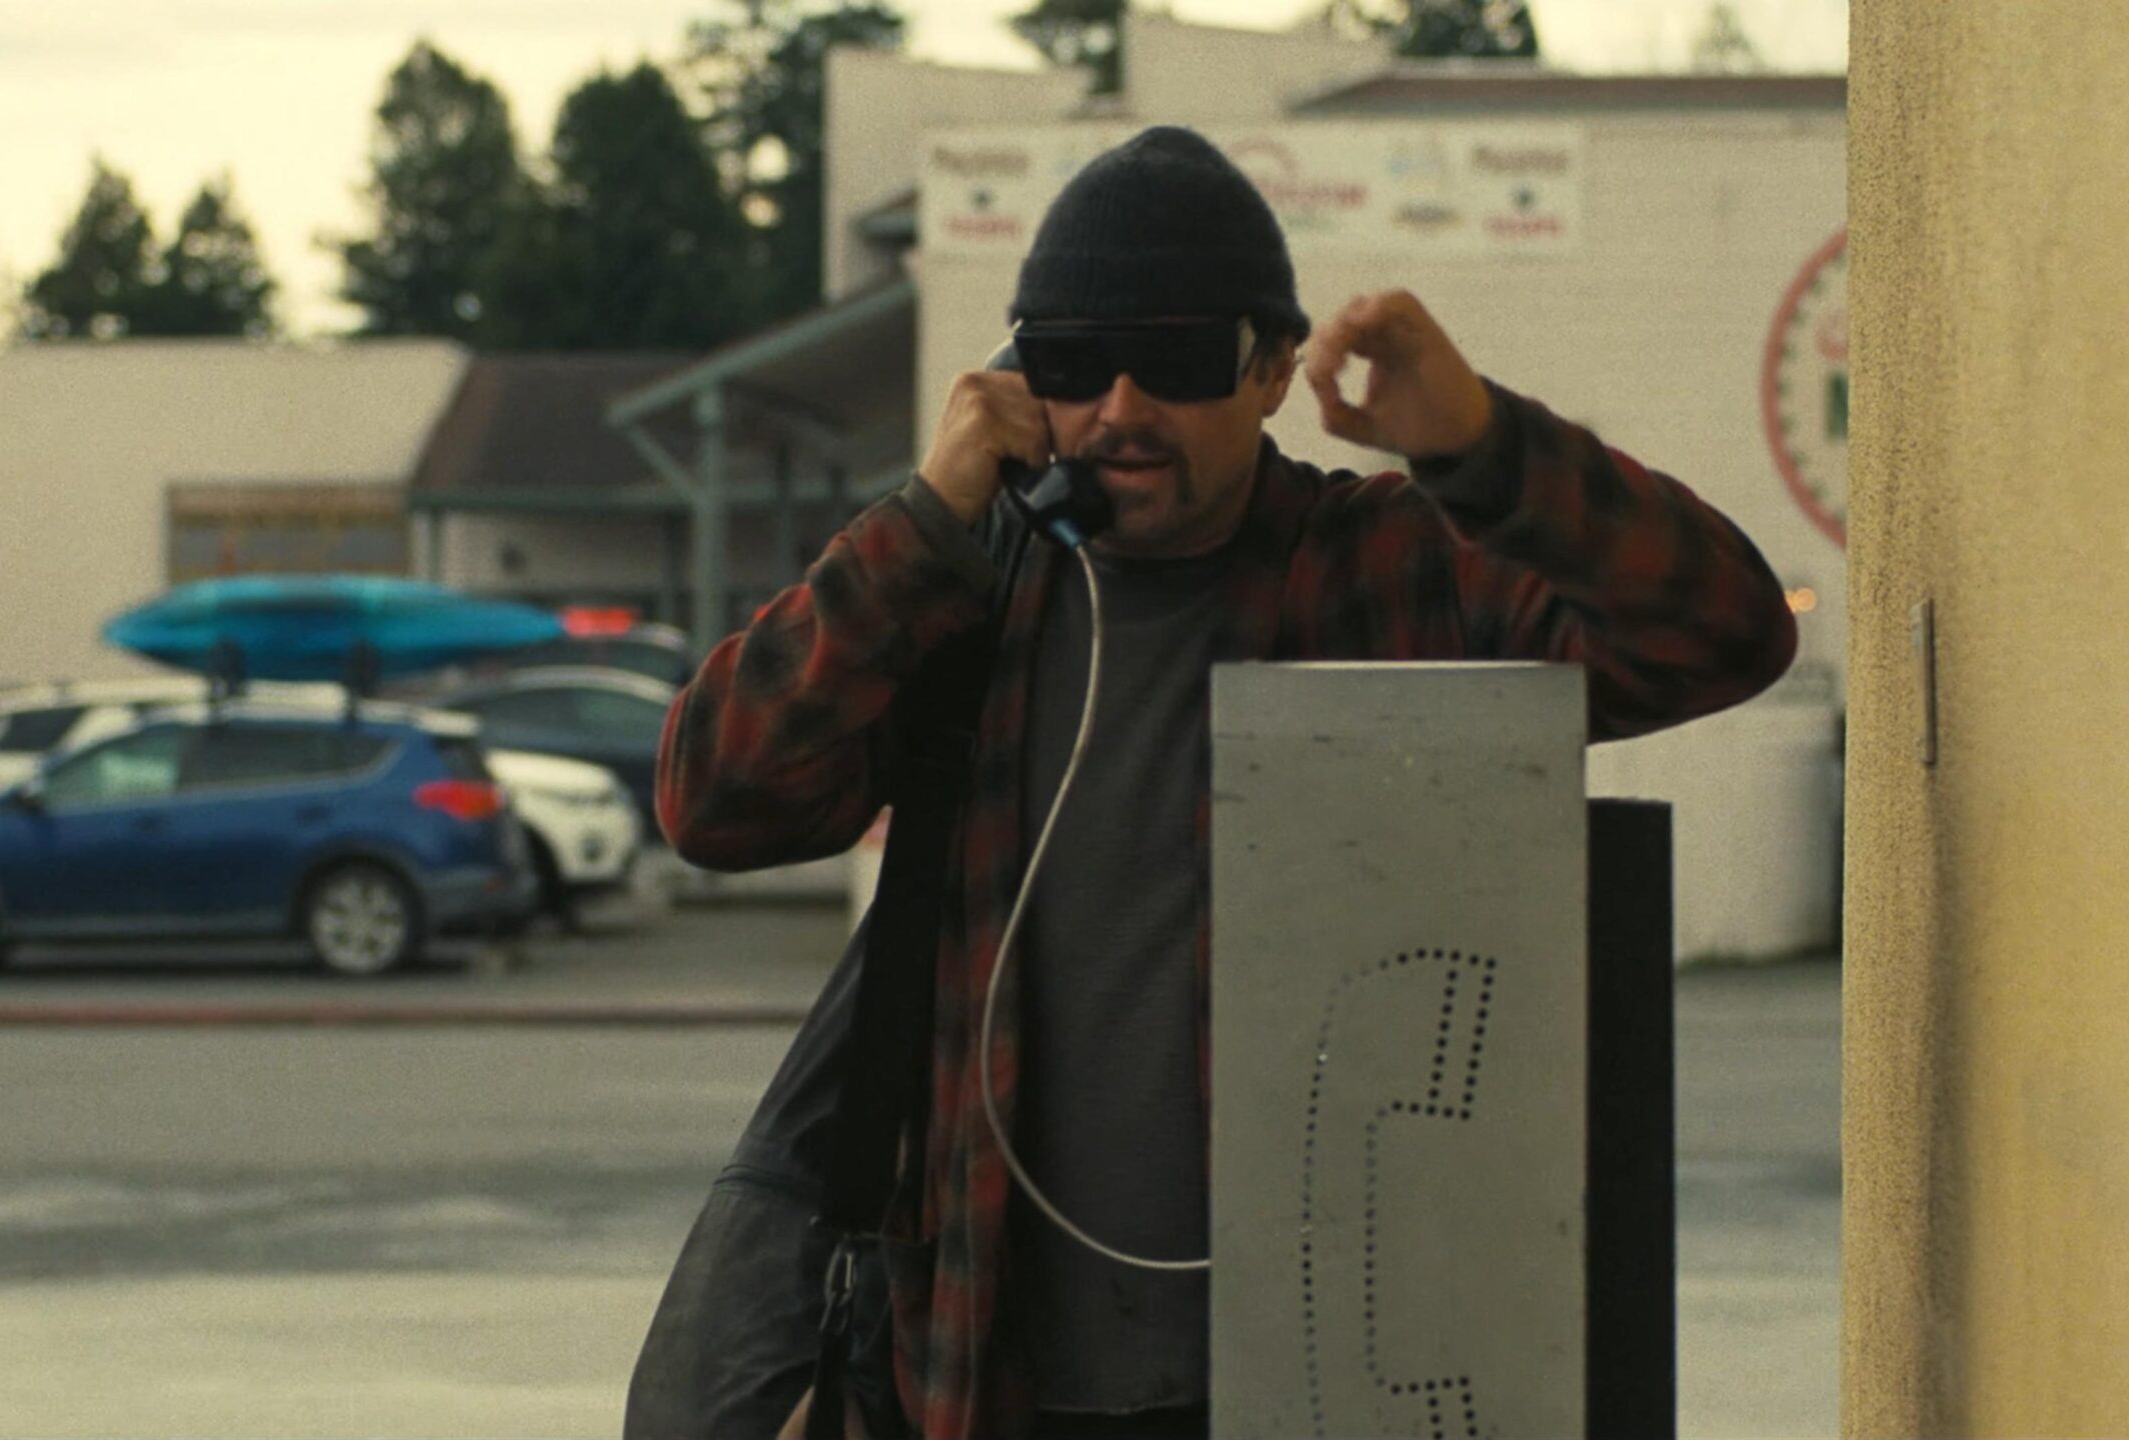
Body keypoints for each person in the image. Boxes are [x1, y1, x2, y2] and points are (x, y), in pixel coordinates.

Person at [654, 126, 1797, 1440]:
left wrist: (1482, 447)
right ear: (1022, 379)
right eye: (1077, 365)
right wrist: (927, 517)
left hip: (1316, 1367)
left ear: (1266, 371)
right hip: (982, 1367)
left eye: (1179, 362)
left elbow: (1721, 630)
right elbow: (714, 800)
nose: (1121, 411)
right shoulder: (968, 602)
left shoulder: (1377, 572)